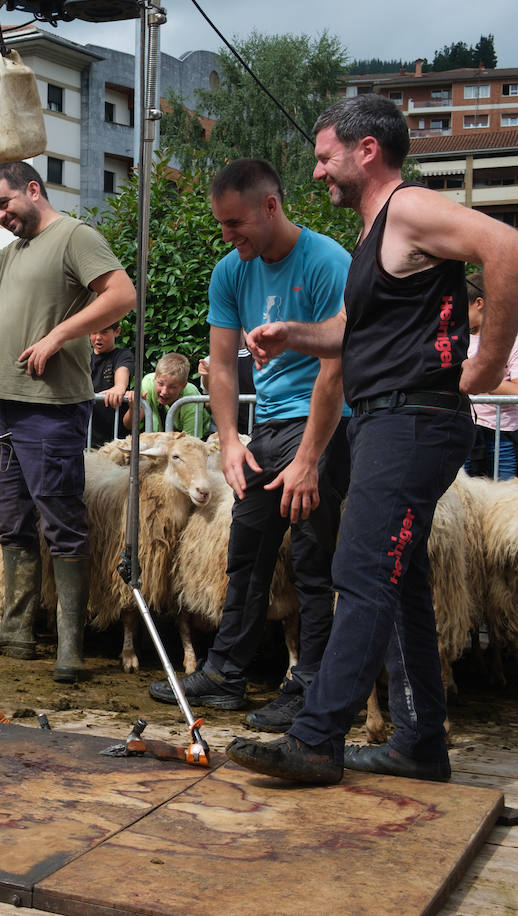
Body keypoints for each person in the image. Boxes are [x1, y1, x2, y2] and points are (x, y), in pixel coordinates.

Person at [230, 94, 518, 785]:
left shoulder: (410, 207)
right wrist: (293, 333)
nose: (318, 173)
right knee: (401, 580)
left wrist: (486, 363)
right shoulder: (374, 237)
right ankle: (418, 743)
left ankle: (316, 738)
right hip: (388, 417)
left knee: (359, 572)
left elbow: (506, 245)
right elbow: (354, 334)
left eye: (325, 157)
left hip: (415, 419)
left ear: (366, 151)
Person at [148, 158, 351, 734]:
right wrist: (231, 442)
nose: (227, 235)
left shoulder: (327, 263)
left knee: (313, 556)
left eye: (235, 223)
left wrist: (312, 457)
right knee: (247, 544)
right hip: (269, 427)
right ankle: (226, 671)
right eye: (220, 225)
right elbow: (222, 368)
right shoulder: (229, 271)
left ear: (270, 206)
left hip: (323, 421)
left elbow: (336, 371)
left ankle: (313, 685)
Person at [0, 160, 136, 682]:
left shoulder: (74, 236)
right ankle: (17, 627)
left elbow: (122, 295)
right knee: (11, 520)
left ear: (34, 189)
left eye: (5, 203)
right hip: (4, 404)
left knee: (61, 522)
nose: (2, 216)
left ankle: (70, 647)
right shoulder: (12, 253)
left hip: (51, 407)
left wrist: (57, 336)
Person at [462, 271, 518, 480]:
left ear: (479, 303)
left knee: (504, 497)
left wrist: (478, 377)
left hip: (502, 436)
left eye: (462, 307)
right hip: (466, 431)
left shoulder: (513, 340)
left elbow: (516, 391)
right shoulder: (458, 341)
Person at [123, 353, 206, 437]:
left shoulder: (191, 397)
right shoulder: (148, 383)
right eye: (160, 384)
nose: (164, 391)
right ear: (155, 378)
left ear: (183, 386)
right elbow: (129, 425)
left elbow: (190, 443)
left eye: (172, 387)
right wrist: (133, 408)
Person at [88, 321, 134, 447]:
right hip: (87, 439)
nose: (98, 337)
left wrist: (119, 387)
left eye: (104, 332)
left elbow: (123, 371)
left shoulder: (122, 355)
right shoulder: (84, 358)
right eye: (94, 332)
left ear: (117, 331)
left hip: (116, 441)